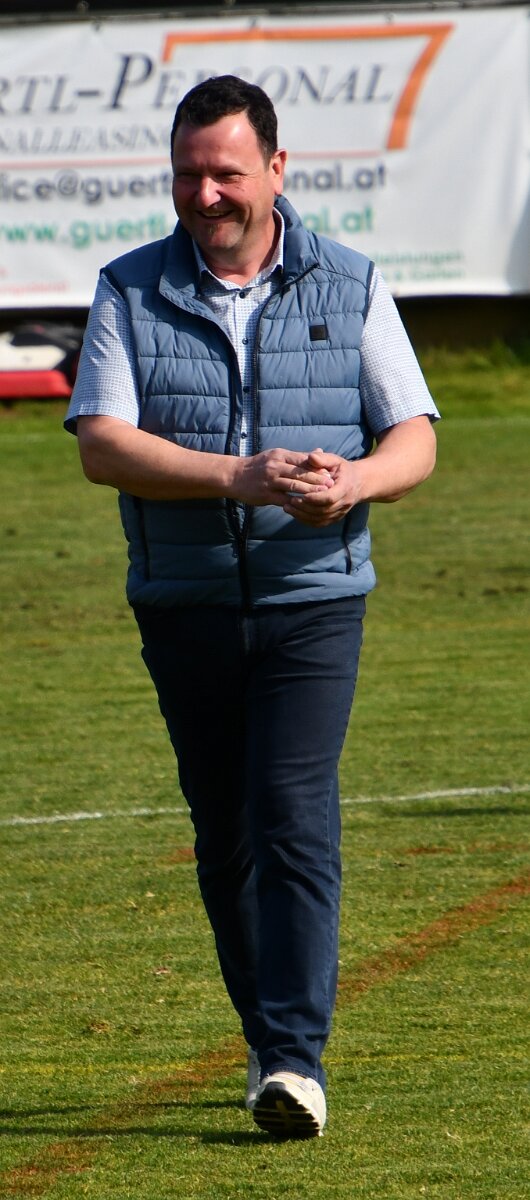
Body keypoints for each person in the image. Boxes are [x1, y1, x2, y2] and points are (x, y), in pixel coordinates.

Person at [65, 75, 439, 1139]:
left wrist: (353, 484)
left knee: (291, 813)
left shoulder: (351, 282)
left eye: (225, 172)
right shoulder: (128, 288)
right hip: (182, 603)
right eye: (188, 174)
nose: (205, 193)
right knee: (224, 834)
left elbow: (412, 434)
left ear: (276, 169)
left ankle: (292, 1059)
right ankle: (268, 1038)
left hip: (313, 598)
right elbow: (103, 444)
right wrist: (237, 477)